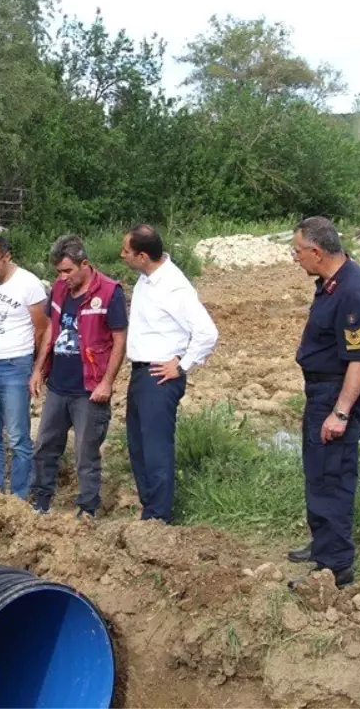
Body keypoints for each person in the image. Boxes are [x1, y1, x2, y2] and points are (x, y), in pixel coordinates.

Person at [286, 217, 360, 589]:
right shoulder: (331, 282)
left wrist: (340, 412)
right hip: (321, 389)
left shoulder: (353, 290)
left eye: (298, 251)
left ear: (317, 252)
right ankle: (323, 544)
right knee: (318, 471)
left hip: (336, 392)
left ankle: (335, 565)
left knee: (333, 476)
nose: (296, 258)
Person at [121, 224, 219, 523]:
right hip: (141, 371)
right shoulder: (146, 278)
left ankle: (158, 518)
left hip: (159, 376)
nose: (121, 255)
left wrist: (182, 364)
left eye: (126, 251)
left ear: (142, 256)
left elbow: (207, 333)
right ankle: (149, 510)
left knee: (155, 448)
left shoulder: (174, 287)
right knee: (137, 445)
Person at [28, 235, 128, 520]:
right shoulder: (59, 290)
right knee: (45, 446)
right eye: (58, 272)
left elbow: (119, 340)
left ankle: (87, 508)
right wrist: (38, 369)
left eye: (68, 271)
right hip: (59, 384)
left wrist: (107, 382)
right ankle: (41, 500)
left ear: (85, 264)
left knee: (86, 453)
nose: (62, 277)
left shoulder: (109, 293)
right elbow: (50, 329)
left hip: (89, 386)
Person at [0, 234, 48, 499]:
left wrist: (37, 369)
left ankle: (19, 497)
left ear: (7, 257)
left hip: (15, 365)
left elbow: (42, 330)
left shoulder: (29, 285)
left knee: (17, 437)